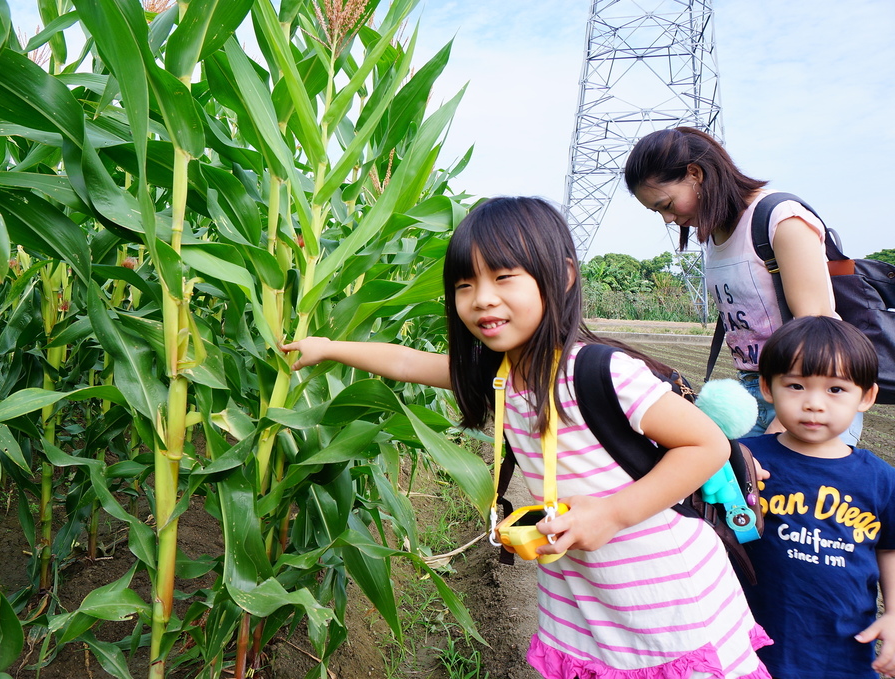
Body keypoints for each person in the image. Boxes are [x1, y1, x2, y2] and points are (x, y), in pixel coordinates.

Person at [283, 196, 770, 678]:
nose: (482, 298)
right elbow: (408, 362)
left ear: (562, 276)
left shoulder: (598, 371)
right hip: (583, 592)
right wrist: (328, 348)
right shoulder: (499, 375)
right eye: (464, 284)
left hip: (662, 594)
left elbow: (707, 444)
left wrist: (613, 512)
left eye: (502, 277)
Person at [622, 126, 863, 446]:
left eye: (666, 204)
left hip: (807, 391)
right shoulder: (715, 235)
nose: (667, 219)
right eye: (657, 211)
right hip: (752, 392)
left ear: (695, 174)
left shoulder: (780, 218)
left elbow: (818, 322)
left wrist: (788, 417)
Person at [737, 316, 895, 678]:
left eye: (835, 390)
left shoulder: (881, 480)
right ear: (767, 388)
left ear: (867, 396)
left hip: (843, 651)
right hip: (752, 642)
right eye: (795, 386)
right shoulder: (744, 459)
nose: (813, 404)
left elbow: (890, 547)